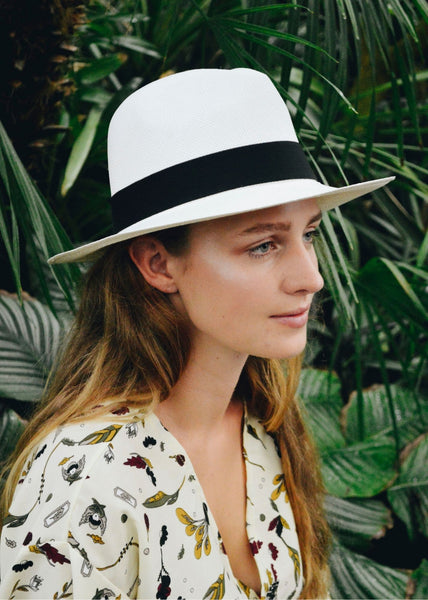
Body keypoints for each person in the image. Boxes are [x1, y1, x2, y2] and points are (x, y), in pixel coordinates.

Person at [0, 68, 393, 600]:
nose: (311, 278)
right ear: (159, 263)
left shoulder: (266, 424)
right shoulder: (85, 478)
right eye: (263, 246)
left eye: (308, 234)